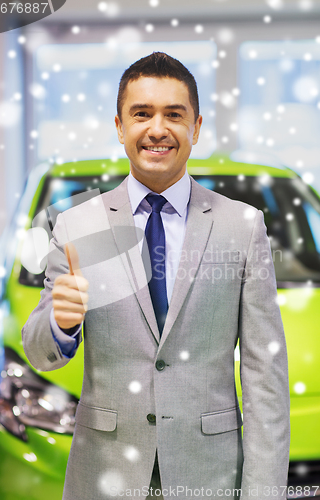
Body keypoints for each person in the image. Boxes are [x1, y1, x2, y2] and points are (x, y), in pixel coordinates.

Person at [22, 52, 290, 500]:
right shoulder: (78, 225)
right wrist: (60, 324)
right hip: (104, 476)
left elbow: (265, 373)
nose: (158, 128)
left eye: (174, 114)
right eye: (142, 114)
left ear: (196, 128)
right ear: (120, 126)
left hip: (210, 476)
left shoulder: (241, 226)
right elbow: (39, 352)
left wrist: (263, 492)